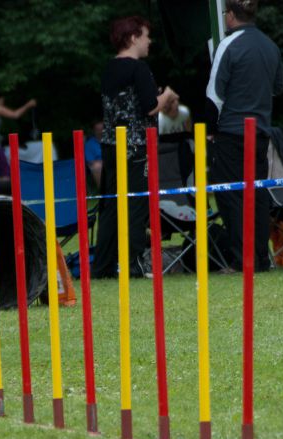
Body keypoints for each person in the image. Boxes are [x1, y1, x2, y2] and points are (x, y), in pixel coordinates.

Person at [92, 15, 178, 278]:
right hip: (137, 146)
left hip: (111, 144)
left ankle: (103, 266)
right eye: (145, 35)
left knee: (110, 204)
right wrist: (168, 95)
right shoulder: (138, 68)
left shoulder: (109, 68)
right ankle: (134, 263)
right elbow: (150, 106)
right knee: (137, 203)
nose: (149, 40)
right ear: (132, 38)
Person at [206, 0, 283, 273]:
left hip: (230, 131)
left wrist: (211, 131)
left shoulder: (227, 45)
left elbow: (215, 95)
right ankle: (261, 257)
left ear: (231, 16)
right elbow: (277, 88)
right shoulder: (271, 47)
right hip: (259, 132)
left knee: (230, 195)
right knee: (258, 194)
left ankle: (243, 259)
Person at [83, 120, 104, 187]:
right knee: (97, 166)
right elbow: (90, 161)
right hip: (98, 166)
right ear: (94, 131)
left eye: (102, 129)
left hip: (112, 163)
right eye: (98, 130)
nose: (101, 131)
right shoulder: (89, 144)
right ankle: (103, 190)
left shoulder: (111, 141)